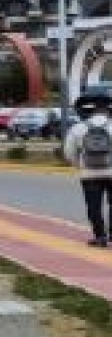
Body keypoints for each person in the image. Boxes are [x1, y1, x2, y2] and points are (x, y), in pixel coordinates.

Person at [60, 91, 112, 246]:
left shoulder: (78, 128)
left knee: (93, 206)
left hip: (88, 175)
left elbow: (69, 153)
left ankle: (100, 236)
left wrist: (80, 165)